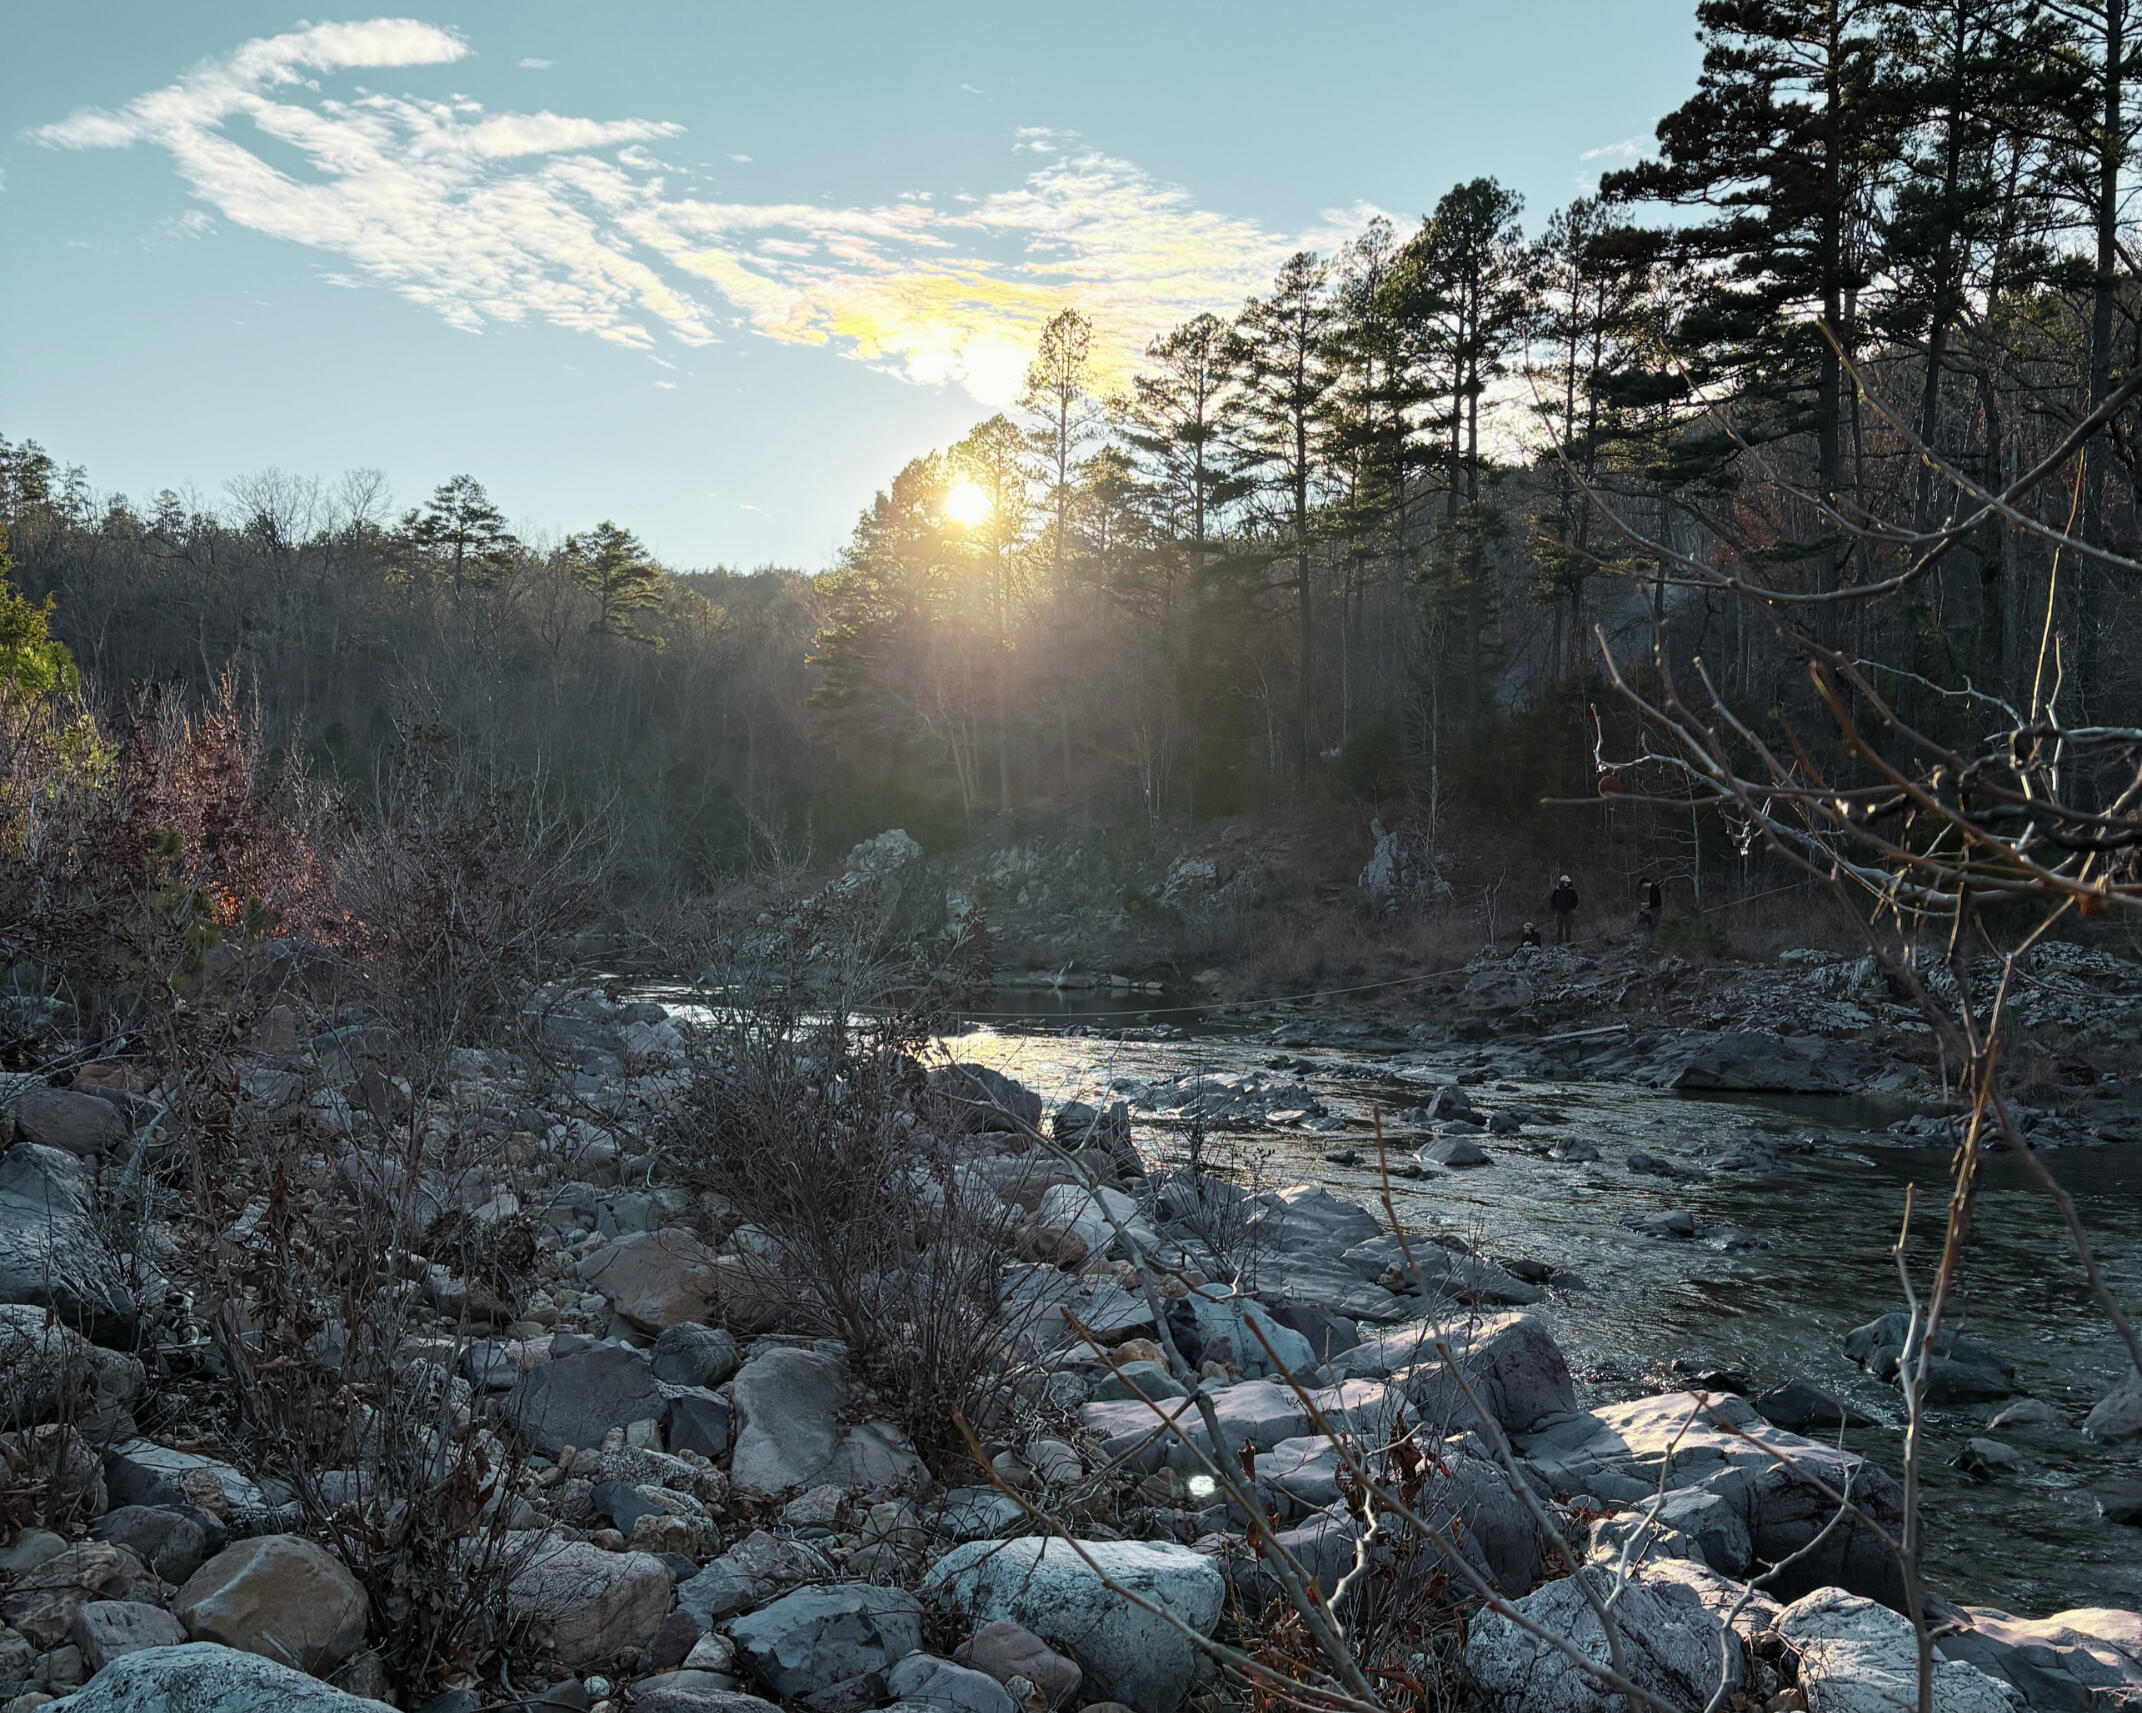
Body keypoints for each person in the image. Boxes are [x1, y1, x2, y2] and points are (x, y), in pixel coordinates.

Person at [1549, 875, 1579, 943]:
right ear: (1562, 882)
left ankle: (1568, 940)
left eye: (1568, 882)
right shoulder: (1557, 890)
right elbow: (1552, 900)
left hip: (1568, 911)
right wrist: (1554, 909)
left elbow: (1576, 900)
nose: (1567, 883)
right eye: (1566, 882)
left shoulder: (1571, 891)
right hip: (1559, 911)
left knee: (1568, 926)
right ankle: (1559, 940)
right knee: (1559, 926)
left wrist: (1572, 908)